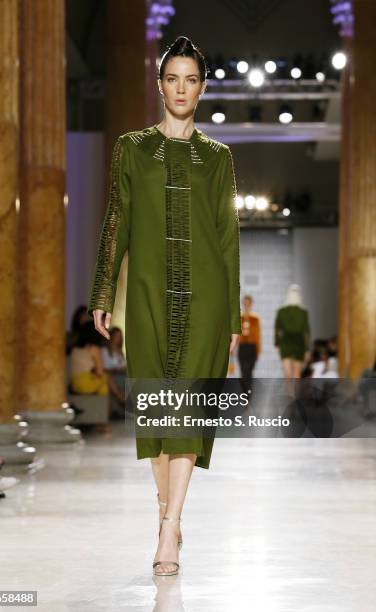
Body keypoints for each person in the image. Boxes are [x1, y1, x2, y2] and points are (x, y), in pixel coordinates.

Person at [89, 36, 241, 576]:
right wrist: (104, 291)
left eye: (191, 79)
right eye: (172, 78)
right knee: (158, 412)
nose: (181, 88)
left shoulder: (217, 157)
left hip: (206, 300)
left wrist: (230, 320)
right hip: (149, 295)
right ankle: (166, 513)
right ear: (159, 85)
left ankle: (171, 527)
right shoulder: (132, 148)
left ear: (202, 88)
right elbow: (116, 221)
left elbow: (227, 237)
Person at [69, 321, 124, 433]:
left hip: (74, 383)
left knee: (104, 384)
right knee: (105, 379)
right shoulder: (94, 348)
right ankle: (105, 420)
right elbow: (100, 371)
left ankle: (119, 402)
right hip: (85, 383)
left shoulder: (75, 349)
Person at [274, 284, 310, 396]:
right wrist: (307, 349)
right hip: (298, 342)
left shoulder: (281, 311)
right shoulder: (303, 312)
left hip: (286, 342)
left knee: (288, 371)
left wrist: (277, 343)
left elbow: (277, 328)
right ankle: (294, 394)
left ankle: (290, 392)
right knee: (296, 372)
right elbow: (306, 332)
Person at [237, 294, 261, 392]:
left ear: (251, 304)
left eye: (248, 303)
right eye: (245, 303)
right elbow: (236, 334)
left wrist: (258, 350)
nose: (246, 305)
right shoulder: (239, 318)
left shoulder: (255, 318)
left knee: (249, 372)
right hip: (242, 347)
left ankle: (247, 395)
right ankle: (245, 394)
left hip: (252, 348)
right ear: (243, 304)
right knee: (243, 372)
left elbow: (258, 336)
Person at [101, 327, 127, 418]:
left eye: (120, 336)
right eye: (116, 336)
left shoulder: (121, 353)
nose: (118, 339)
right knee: (108, 377)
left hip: (122, 375)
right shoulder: (104, 351)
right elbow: (103, 368)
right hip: (112, 375)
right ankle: (122, 400)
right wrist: (116, 369)